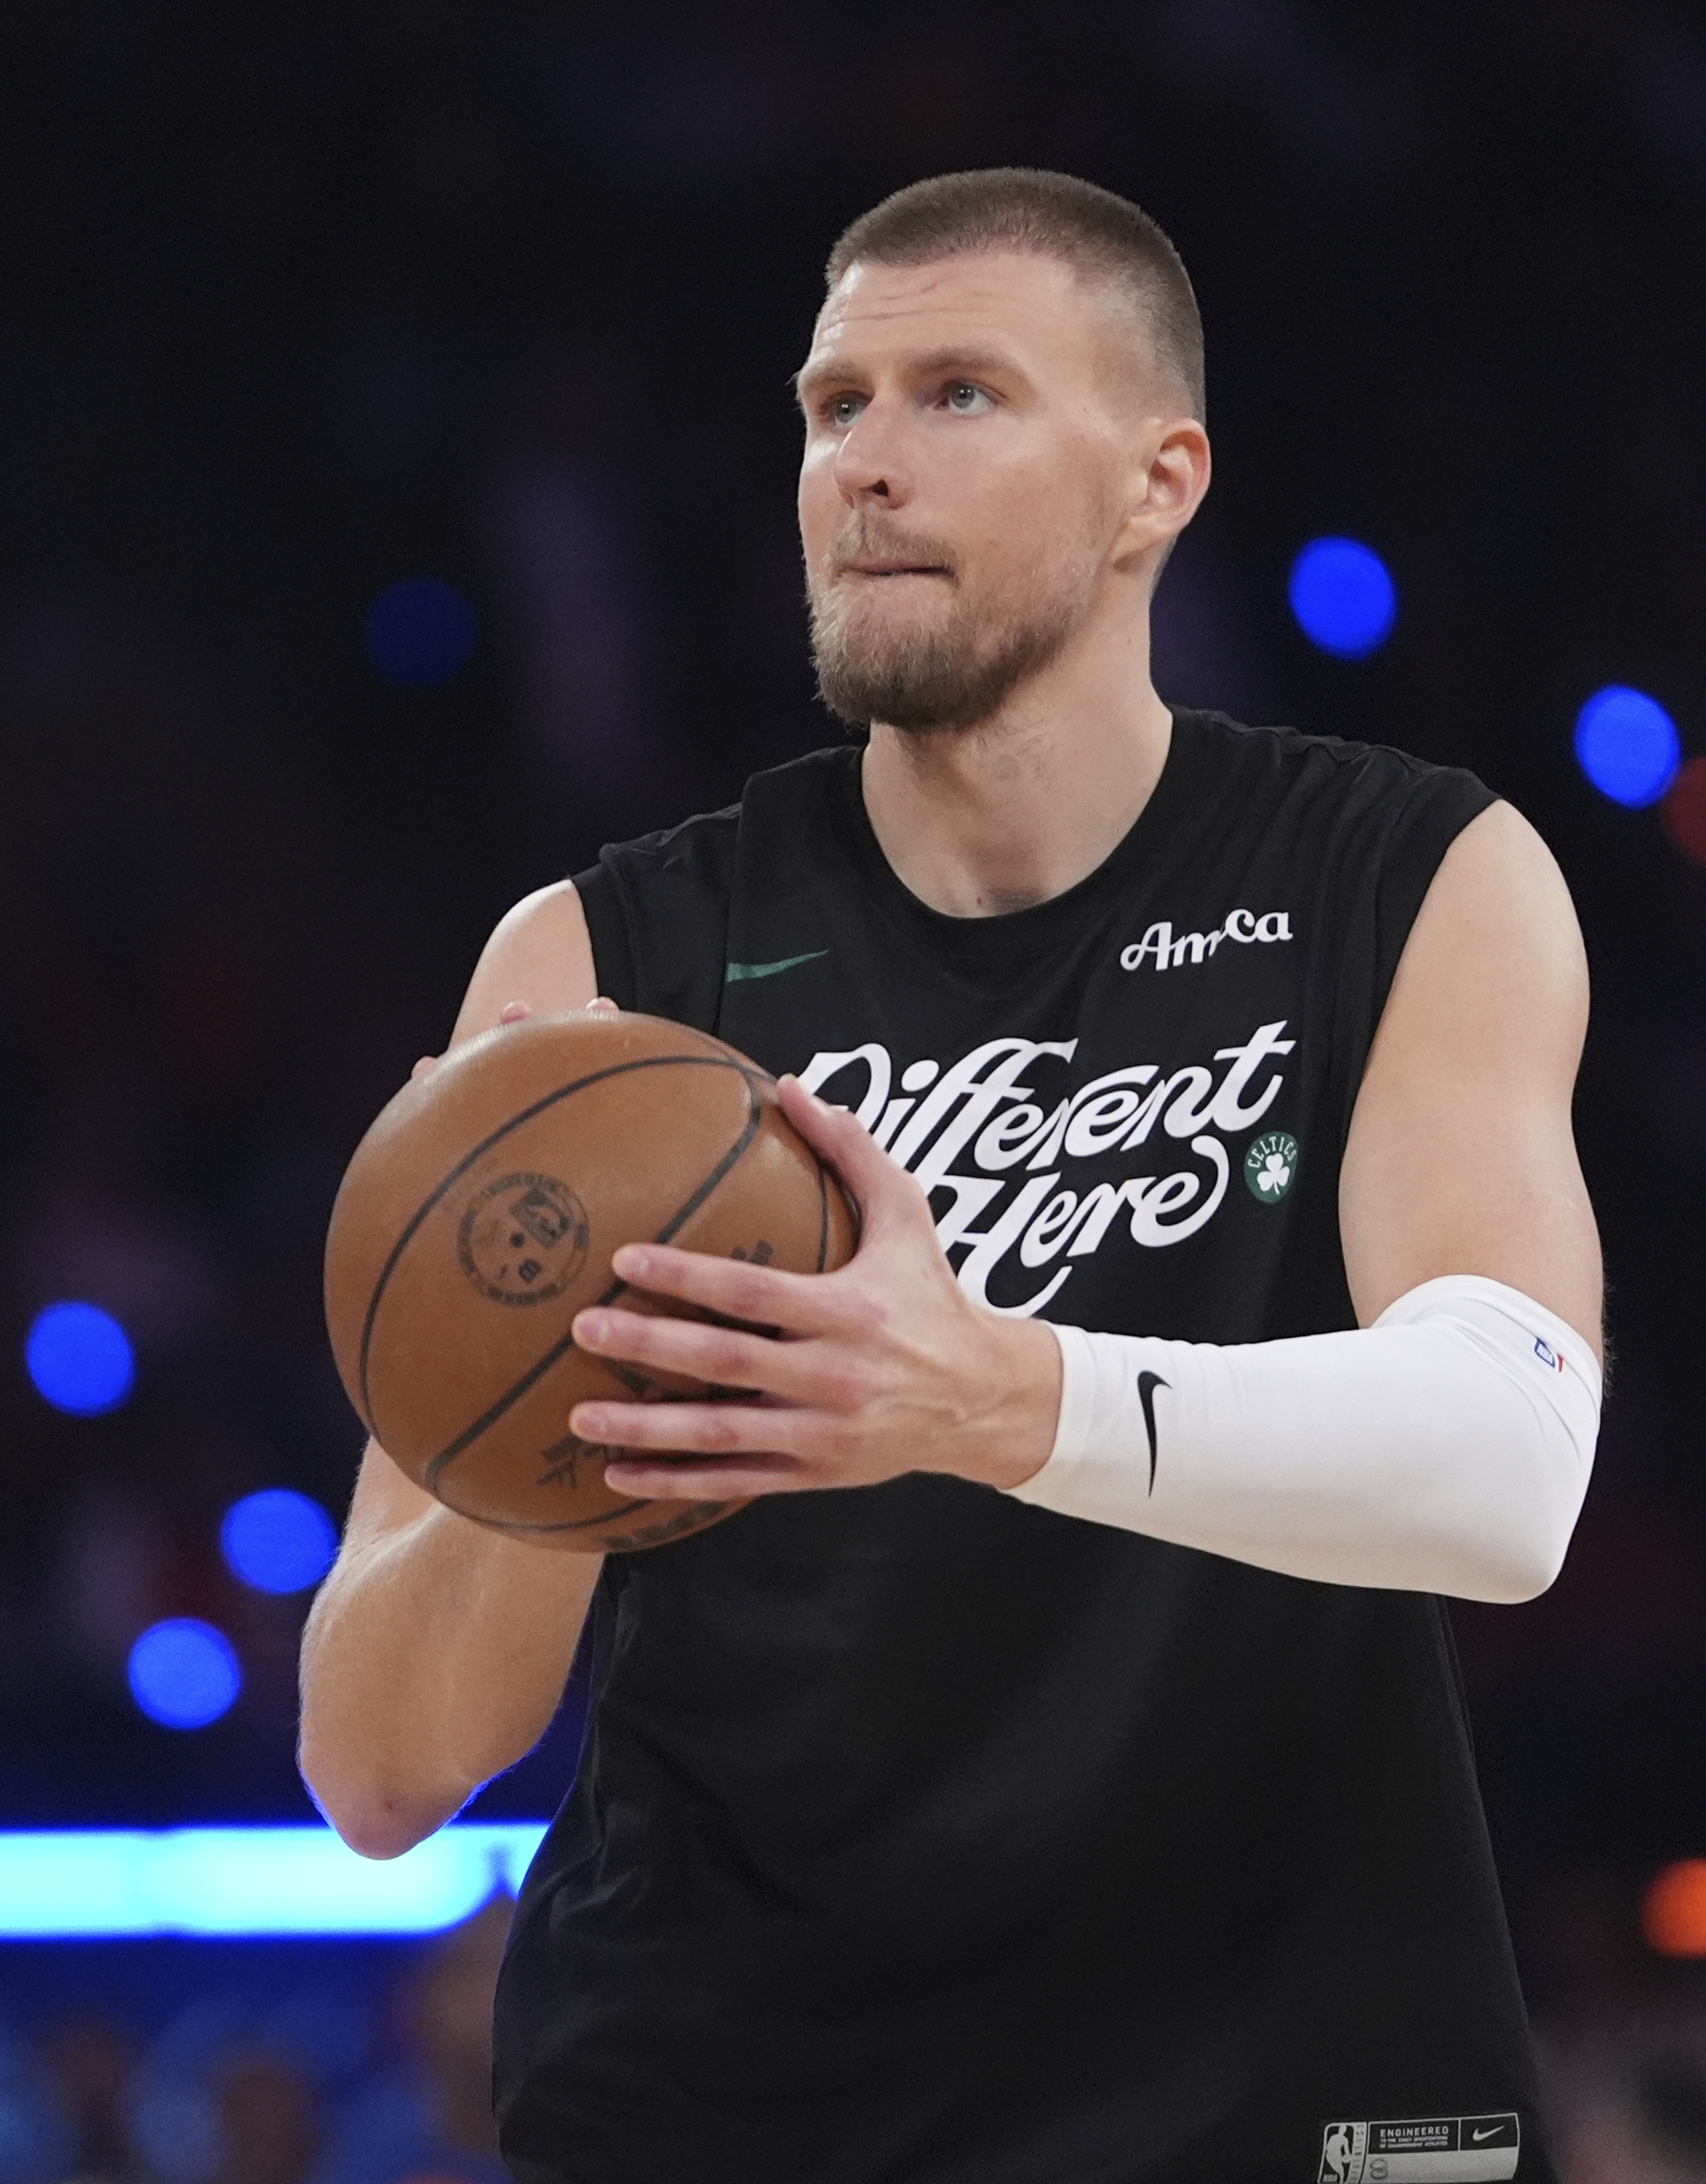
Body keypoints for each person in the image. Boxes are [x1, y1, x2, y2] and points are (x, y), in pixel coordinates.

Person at [298, 167, 1605, 2184]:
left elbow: (1509, 1472)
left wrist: (985, 1390)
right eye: (834, 409)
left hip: (1275, 2085)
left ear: (1156, 483)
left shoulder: (1407, 875)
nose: (866, 469)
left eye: (958, 397)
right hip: (735, 2105)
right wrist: (547, 1406)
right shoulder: (602, 975)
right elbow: (378, 1776)